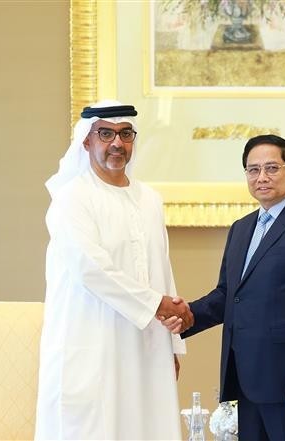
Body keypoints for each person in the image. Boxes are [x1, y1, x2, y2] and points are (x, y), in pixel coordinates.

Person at [163, 134, 285, 440]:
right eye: (253, 170)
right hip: (247, 383)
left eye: (272, 168)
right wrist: (185, 317)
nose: (261, 177)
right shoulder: (242, 228)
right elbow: (229, 296)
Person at [35, 100, 192, 440]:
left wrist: (173, 343)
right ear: (86, 141)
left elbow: (161, 268)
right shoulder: (71, 198)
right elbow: (92, 269)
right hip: (92, 343)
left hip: (146, 345)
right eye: (105, 134)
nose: (117, 143)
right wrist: (158, 305)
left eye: (125, 134)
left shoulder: (149, 199)